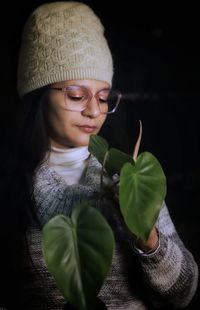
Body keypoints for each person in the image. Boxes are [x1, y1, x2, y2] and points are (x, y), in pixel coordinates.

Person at [0, 1, 198, 309]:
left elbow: (182, 292)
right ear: (38, 95)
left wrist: (149, 241)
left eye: (104, 97)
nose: (94, 110)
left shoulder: (127, 176)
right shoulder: (11, 185)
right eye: (76, 95)